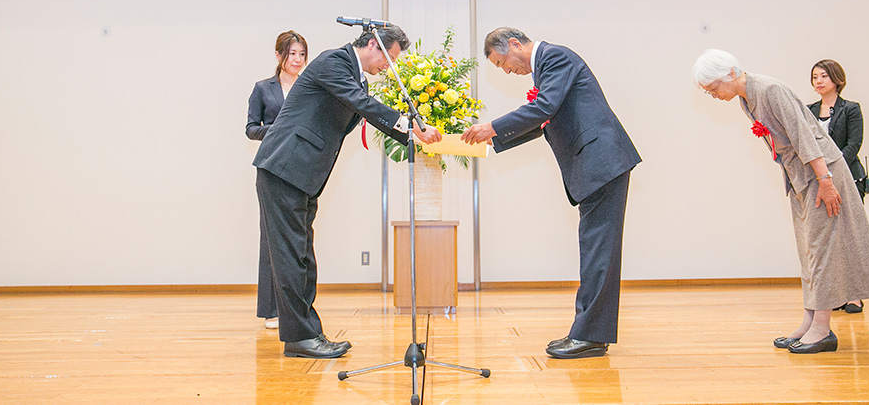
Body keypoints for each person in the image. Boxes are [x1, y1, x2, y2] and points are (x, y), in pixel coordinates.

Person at [252, 25, 442, 359]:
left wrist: (411, 135)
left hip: (302, 174)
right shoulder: (334, 62)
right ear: (372, 44)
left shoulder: (355, 75)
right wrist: (410, 126)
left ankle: (308, 333)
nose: (389, 67)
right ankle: (299, 338)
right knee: (291, 257)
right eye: (390, 58)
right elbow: (361, 104)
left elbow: (362, 105)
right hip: (284, 169)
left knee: (302, 255)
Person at [692, 49, 869, 354]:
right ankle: (810, 321)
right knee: (809, 250)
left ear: (730, 74)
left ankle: (822, 329)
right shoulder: (748, 98)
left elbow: (803, 135)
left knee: (823, 249)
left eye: (714, 88)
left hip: (821, 172)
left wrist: (825, 181)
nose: (714, 95)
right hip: (803, 177)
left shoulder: (769, 90)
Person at [461, 28, 641, 359]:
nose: (506, 71)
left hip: (601, 161)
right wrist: (495, 140)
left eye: (503, 63)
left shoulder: (555, 57)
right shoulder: (548, 67)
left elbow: (545, 107)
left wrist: (493, 127)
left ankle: (589, 335)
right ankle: (590, 333)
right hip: (597, 164)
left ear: (515, 44)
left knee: (598, 249)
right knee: (595, 248)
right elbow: (546, 118)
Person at [245, 30, 309, 329]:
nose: (297, 60)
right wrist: (278, 130)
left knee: (300, 241)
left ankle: (299, 309)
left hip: (304, 167)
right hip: (272, 167)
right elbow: (251, 128)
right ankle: (271, 310)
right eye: (291, 53)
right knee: (272, 240)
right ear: (278, 55)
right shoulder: (263, 88)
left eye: (301, 54)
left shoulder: (310, 87)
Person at [807, 58, 868, 314]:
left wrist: (832, 171)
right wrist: (822, 176)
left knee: (849, 237)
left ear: (837, 79)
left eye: (823, 76)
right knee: (827, 241)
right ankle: (834, 294)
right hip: (820, 183)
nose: (818, 82)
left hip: (847, 179)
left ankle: (854, 295)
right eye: (814, 77)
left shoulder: (851, 109)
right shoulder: (807, 110)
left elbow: (854, 145)